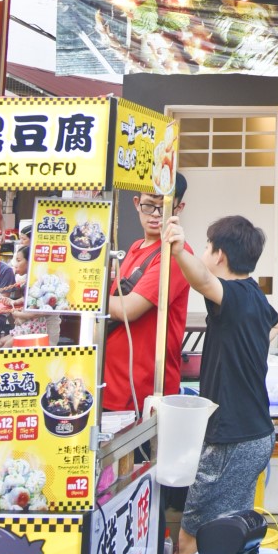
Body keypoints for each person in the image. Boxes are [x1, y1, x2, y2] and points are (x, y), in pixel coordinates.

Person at [152, 211, 278, 554]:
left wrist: (177, 247)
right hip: (256, 434)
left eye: (208, 248)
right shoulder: (257, 298)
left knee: (190, 538)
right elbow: (268, 326)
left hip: (231, 439)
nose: (204, 255)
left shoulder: (235, 297)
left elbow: (203, 280)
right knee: (232, 533)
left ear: (220, 254)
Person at [102, 173, 191, 417]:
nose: (154, 215)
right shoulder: (134, 247)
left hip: (142, 392)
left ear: (179, 208)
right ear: (136, 203)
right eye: (148, 205)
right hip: (111, 383)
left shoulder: (175, 254)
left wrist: (85, 295)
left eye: (163, 207)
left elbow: (128, 309)